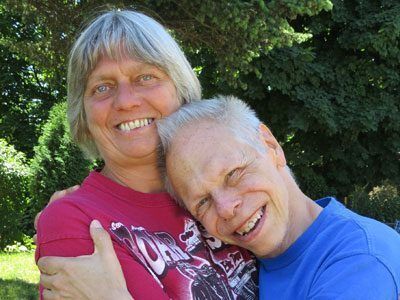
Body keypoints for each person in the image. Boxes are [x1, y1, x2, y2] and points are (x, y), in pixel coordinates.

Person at [35, 10, 257, 300]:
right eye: (102, 87)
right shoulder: (77, 224)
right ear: (83, 115)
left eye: (145, 77)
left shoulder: (228, 194)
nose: (126, 101)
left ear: (181, 90)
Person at [156, 95, 400, 299]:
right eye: (203, 202)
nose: (226, 208)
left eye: (233, 174)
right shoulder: (242, 270)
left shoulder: (361, 261)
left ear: (271, 146)